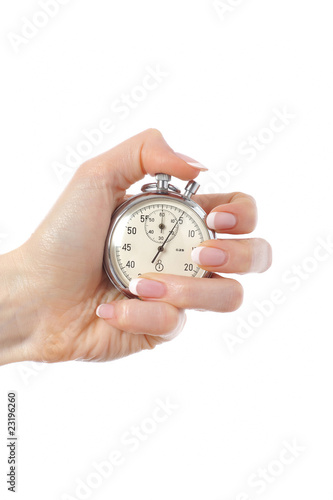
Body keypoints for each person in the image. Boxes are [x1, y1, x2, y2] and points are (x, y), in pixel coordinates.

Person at [0, 129, 271, 366]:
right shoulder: (121, 212)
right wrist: (34, 295)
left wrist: (31, 305)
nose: (161, 248)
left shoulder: (192, 215)